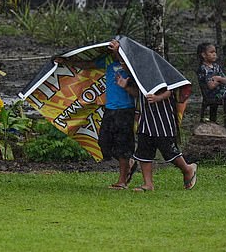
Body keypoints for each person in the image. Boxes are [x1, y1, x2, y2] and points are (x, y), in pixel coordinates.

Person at [55, 39, 137, 190]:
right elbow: (88, 65)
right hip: (110, 108)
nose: (113, 51)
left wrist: (120, 54)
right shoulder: (107, 62)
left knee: (123, 145)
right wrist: (67, 62)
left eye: (116, 48)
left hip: (125, 109)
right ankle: (128, 162)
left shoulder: (130, 64)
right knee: (104, 142)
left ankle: (122, 180)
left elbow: (134, 82)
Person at [116, 77, 198, 191]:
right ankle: (148, 184)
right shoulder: (139, 72)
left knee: (168, 150)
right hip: (145, 118)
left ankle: (188, 169)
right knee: (144, 151)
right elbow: (139, 94)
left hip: (163, 118)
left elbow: (170, 89)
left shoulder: (159, 68)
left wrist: (158, 97)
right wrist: (126, 87)